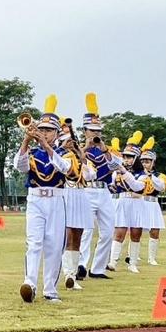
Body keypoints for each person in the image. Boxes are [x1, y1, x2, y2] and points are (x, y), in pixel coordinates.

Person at [14, 96, 71, 303]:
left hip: (56, 200)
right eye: (42, 129)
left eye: (48, 130)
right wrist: (27, 140)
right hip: (35, 199)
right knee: (34, 242)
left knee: (55, 245)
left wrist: (47, 146)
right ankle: (29, 284)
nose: (44, 133)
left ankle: (50, 289)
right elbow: (20, 166)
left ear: (56, 133)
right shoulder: (32, 153)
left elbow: (65, 169)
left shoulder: (65, 153)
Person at [77, 95, 117, 280]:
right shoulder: (77, 147)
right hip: (87, 190)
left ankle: (98, 268)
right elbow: (72, 163)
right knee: (86, 229)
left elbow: (115, 165)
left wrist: (104, 149)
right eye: (92, 130)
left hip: (104, 191)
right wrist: (85, 148)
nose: (95, 134)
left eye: (98, 130)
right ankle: (81, 265)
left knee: (108, 230)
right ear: (84, 130)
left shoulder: (106, 149)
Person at [59, 120, 96, 291]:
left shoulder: (81, 159)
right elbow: (66, 172)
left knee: (78, 238)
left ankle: (73, 276)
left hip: (81, 195)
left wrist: (82, 158)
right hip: (67, 193)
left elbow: (90, 176)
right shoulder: (61, 157)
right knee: (68, 237)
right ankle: (67, 274)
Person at [108, 132, 146, 273]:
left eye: (129, 157)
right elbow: (112, 187)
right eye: (124, 156)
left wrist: (124, 173)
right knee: (119, 232)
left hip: (136, 203)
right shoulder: (116, 173)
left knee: (136, 233)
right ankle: (112, 262)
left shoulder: (142, 175)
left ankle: (133, 263)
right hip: (122, 201)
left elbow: (138, 187)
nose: (126, 159)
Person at [137, 137, 166, 266]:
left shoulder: (158, 175)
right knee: (136, 230)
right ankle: (133, 255)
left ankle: (151, 257)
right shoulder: (137, 174)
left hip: (153, 203)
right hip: (140, 202)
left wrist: (150, 176)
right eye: (143, 161)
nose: (145, 164)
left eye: (148, 161)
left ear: (153, 162)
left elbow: (161, 187)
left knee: (155, 231)